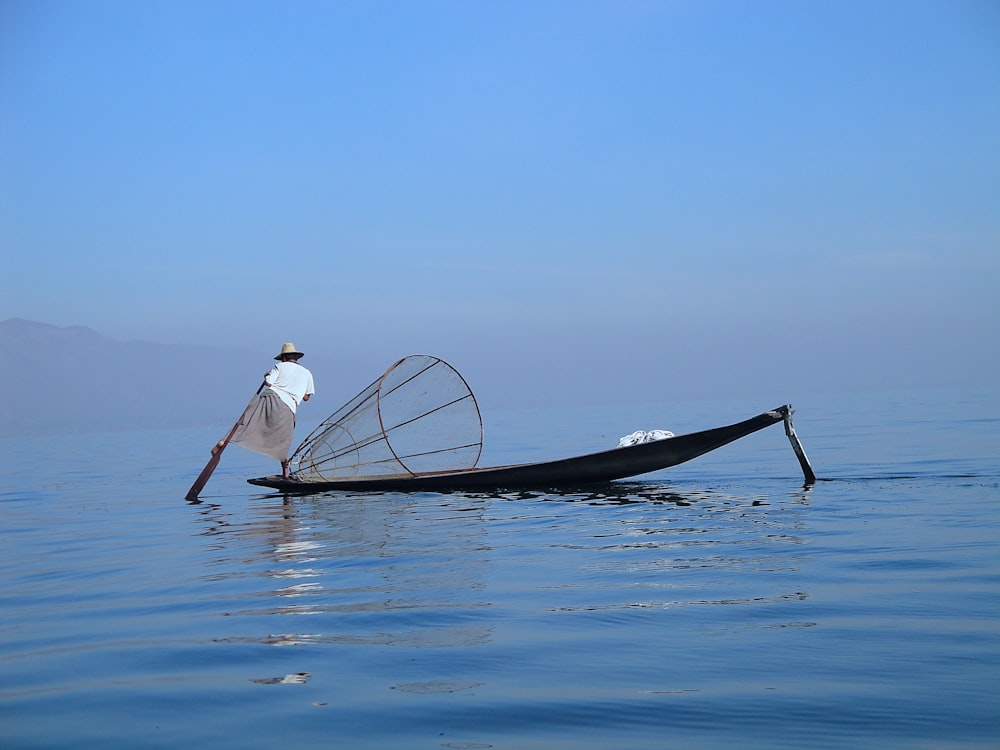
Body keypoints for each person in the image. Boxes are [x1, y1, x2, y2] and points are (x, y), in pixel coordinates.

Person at [229, 342, 316, 478]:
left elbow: (269, 383)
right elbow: (306, 397)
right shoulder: (307, 373)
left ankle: (227, 439)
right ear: (296, 358)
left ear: (284, 358)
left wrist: (267, 375)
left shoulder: (279, 367)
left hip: (270, 398)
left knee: (249, 422)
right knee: (284, 440)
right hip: (288, 407)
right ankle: (285, 473)